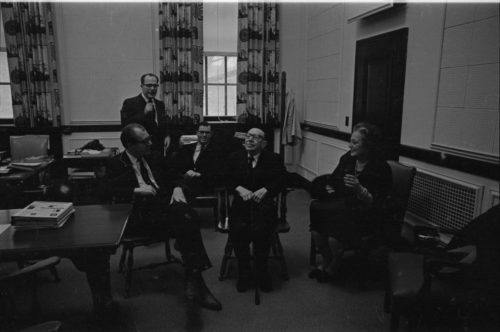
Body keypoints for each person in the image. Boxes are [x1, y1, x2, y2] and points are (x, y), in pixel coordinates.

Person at [102, 123, 222, 311]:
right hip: (140, 216)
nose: (151, 143)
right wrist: (135, 190)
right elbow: (104, 191)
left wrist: (177, 187)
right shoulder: (115, 163)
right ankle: (197, 282)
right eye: (146, 141)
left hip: (165, 210)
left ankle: (194, 278)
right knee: (188, 218)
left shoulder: (155, 157)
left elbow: (176, 175)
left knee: (184, 214)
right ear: (130, 145)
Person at [309, 122, 392, 282]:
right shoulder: (348, 159)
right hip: (345, 206)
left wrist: (359, 189)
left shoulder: (380, 167)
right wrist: (330, 187)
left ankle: (334, 265)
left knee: (335, 230)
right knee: (317, 218)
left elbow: (377, 203)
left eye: (355, 142)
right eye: (350, 141)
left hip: (367, 214)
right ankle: (327, 260)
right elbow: (334, 179)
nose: (350, 145)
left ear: (368, 145)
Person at [225, 128, 286, 293]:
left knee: (262, 231)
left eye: (256, 137)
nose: (250, 139)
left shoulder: (274, 159)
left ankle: (261, 271)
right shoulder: (234, 157)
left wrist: (266, 189)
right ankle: (244, 273)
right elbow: (225, 179)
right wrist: (239, 188)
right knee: (239, 230)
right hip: (240, 207)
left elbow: (282, 180)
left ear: (264, 143)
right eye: (248, 136)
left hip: (264, 207)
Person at [120, 73, 167, 152]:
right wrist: (144, 112)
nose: (152, 88)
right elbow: (126, 126)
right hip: (139, 149)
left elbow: (162, 124)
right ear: (141, 86)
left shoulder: (160, 104)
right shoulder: (130, 103)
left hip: (158, 149)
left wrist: (167, 135)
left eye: (155, 86)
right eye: (148, 85)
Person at [171, 122, 220, 195]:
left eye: (207, 133)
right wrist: (185, 174)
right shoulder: (186, 148)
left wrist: (199, 174)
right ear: (197, 133)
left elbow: (217, 173)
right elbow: (175, 168)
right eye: (201, 132)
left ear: (211, 134)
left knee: (178, 192)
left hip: (204, 185)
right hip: (184, 182)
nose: (204, 135)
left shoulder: (217, 151)